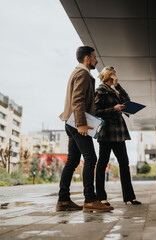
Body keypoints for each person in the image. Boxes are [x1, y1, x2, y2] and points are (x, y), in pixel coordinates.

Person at [57, 46, 113, 212]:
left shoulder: (77, 73)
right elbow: (78, 99)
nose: (96, 60)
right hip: (77, 123)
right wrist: (81, 123)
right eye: (94, 57)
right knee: (90, 158)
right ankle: (89, 199)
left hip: (70, 122)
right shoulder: (82, 73)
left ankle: (63, 200)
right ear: (87, 58)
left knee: (73, 161)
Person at [95, 66, 141, 206]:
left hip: (118, 132)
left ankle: (130, 196)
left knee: (124, 164)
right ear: (110, 75)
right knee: (102, 164)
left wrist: (118, 86)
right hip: (107, 131)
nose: (116, 76)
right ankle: (101, 197)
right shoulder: (100, 90)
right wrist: (113, 109)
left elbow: (127, 100)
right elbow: (96, 111)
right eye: (114, 75)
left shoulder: (114, 91)